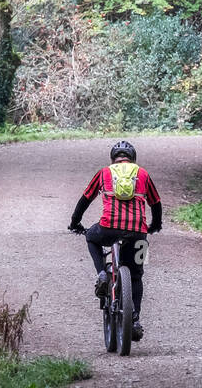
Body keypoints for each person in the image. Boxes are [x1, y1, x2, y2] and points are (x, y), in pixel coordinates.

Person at [68, 140, 162, 340]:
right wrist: (155, 226)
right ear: (133, 159)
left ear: (113, 159)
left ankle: (102, 274)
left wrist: (75, 223)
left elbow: (85, 198)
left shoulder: (104, 173)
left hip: (108, 228)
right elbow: (156, 203)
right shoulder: (143, 174)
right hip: (139, 233)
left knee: (91, 237)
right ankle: (134, 320)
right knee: (137, 275)